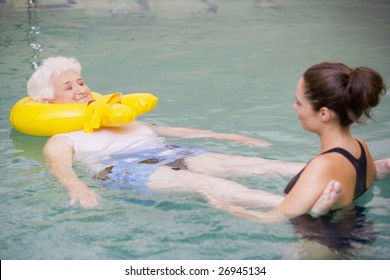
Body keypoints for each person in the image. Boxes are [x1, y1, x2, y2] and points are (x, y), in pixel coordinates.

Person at [27, 57, 390, 220]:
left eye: (81, 82)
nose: (80, 89)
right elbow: (60, 168)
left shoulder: (116, 114)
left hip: (169, 150)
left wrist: (223, 134)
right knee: (203, 185)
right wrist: (76, 188)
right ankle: (304, 207)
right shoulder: (61, 137)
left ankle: (366, 168)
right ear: (47, 101)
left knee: (256, 165)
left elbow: (174, 132)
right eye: (68, 86)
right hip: (125, 171)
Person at [206, 62, 389, 225]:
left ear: (324, 114)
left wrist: (223, 205)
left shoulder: (322, 165)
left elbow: (272, 219)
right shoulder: (360, 147)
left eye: (299, 103)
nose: (295, 107)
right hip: (359, 230)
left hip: (319, 248)